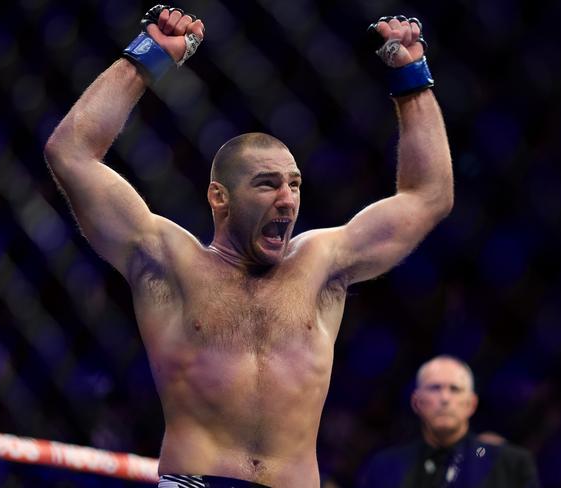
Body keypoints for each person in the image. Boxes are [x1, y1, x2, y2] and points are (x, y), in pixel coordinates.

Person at [43, 5, 453, 488]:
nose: (287, 198)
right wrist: (148, 56)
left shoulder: (323, 263)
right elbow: (70, 153)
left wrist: (412, 75)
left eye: (295, 185)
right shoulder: (169, 261)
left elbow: (428, 195)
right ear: (220, 196)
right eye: (267, 184)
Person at [361, 355, 540, 488]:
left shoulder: (511, 465)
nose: (445, 398)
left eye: (455, 389)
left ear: (471, 404)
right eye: (435, 388)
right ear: (417, 402)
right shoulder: (384, 467)